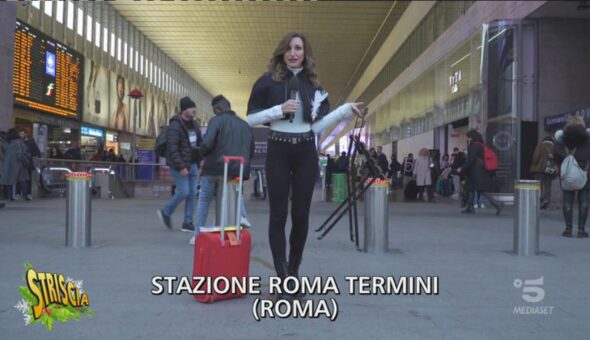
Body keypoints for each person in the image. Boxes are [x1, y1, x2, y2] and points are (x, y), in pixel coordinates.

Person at [245, 32, 364, 300]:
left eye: (298, 48)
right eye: (288, 48)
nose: (293, 53)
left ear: (305, 53)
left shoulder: (315, 86)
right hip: (277, 149)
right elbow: (250, 118)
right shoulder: (266, 82)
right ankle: (282, 276)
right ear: (281, 52)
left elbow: (317, 126)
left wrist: (345, 109)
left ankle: (294, 273)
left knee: (301, 216)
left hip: (305, 153)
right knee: (278, 215)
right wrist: (278, 110)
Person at [189, 95, 254, 245]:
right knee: (234, 194)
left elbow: (207, 143)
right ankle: (241, 216)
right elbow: (251, 149)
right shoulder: (244, 125)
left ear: (219, 108)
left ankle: (197, 235)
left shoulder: (216, 121)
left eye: (214, 111)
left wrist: (199, 154)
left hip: (215, 168)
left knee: (204, 198)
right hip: (237, 168)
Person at [157, 96, 202, 232]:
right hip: (180, 165)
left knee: (193, 193)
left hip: (193, 164)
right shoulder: (175, 126)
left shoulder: (194, 124)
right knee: (184, 191)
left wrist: (201, 160)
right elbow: (172, 148)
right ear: (183, 110)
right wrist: (181, 166)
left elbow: (199, 143)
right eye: (190, 107)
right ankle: (166, 212)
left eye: (194, 107)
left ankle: (187, 222)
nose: (193, 110)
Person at [554, 117, 590, 238]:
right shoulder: (587, 137)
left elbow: (557, 154)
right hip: (584, 170)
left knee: (568, 199)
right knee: (584, 200)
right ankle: (581, 230)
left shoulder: (562, 137)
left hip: (567, 172)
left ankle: (568, 229)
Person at [461, 130, 504, 215]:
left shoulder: (474, 145)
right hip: (478, 170)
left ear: (472, 137)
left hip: (476, 171)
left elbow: (471, 159)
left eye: (468, 137)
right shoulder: (480, 145)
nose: (468, 139)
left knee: (480, 190)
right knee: (471, 189)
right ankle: (470, 207)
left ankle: (497, 204)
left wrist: (463, 167)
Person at [0, 129, 29, 201]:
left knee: (9, 179)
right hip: (19, 161)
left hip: (8, 163)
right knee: (22, 180)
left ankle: (10, 196)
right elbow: (25, 149)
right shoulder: (19, 141)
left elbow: (2, 152)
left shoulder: (6, 142)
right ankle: (25, 195)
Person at [529, 136, 557, 210]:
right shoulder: (554, 147)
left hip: (539, 170)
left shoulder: (540, 146)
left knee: (539, 186)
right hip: (549, 170)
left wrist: (534, 164)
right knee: (548, 186)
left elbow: (535, 158)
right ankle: (546, 201)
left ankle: (539, 201)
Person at [18, 129, 41, 201]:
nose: (21, 135)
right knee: (20, 178)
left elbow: (37, 152)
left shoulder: (30, 142)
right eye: (20, 134)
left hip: (28, 163)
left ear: (26, 134)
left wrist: (29, 155)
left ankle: (28, 193)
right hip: (20, 163)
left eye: (22, 134)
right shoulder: (18, 142)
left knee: (28, 178)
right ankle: (20, 193)